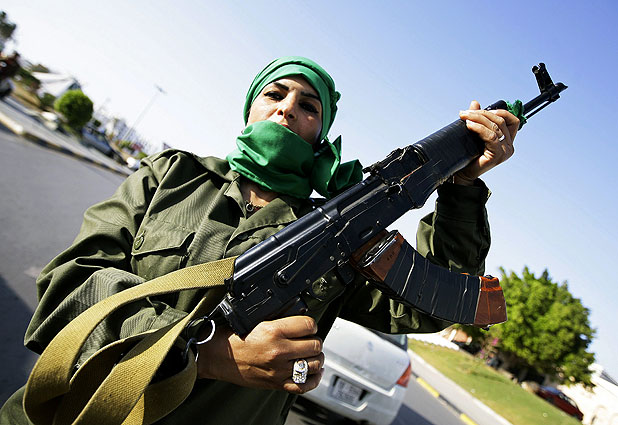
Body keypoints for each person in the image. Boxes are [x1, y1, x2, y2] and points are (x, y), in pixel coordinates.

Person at [0, 56, 519, 424]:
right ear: (251, 107)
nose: (287, 108)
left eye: (309, 105)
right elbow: (70, 285)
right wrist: (207, 353)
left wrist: (462, 188)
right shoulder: (171, 177)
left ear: (320, 132)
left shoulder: (341, 235)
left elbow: (430, 305)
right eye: (275, 93)